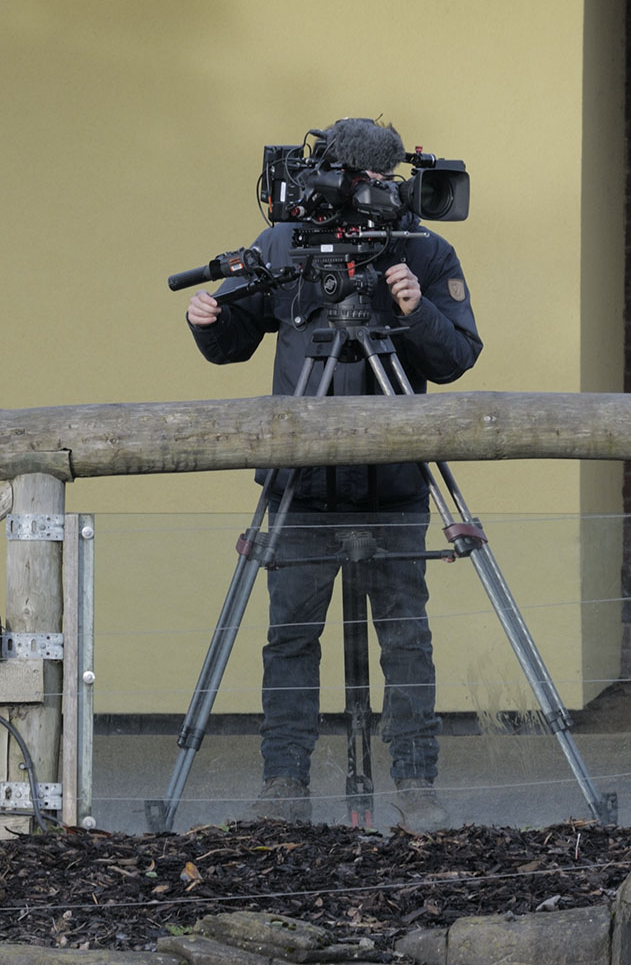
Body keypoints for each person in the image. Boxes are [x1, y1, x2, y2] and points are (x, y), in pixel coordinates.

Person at [186, 121, 482, 830]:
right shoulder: (280, 243)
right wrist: (205, 320)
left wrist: (413, 309)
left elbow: (457, 358)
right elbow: (230, 341)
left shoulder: (423, 248)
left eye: (388, 181)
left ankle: (415, 784)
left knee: (405, 638)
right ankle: (282, 786)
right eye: (369, 181)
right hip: (303, 485)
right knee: (289, 637)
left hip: (394, 485)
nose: (381, 194)